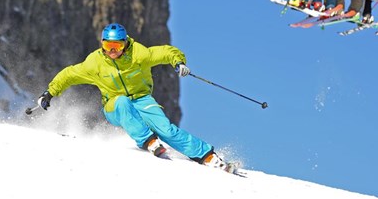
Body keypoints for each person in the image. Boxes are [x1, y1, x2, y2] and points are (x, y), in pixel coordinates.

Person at [36, 23, 233, 172]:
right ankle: (148, 141)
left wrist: (178, 62)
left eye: (117, 46)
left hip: (142, 99)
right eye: (108, 45)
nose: (112, 51)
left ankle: (206, 156)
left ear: (125, 44)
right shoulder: (94, 63)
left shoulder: (139, 54)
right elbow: (69, 74)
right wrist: (50, 92)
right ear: (102, 44)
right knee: (122, 101)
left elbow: (165, 51)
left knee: (166, 129)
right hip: (114, 105)